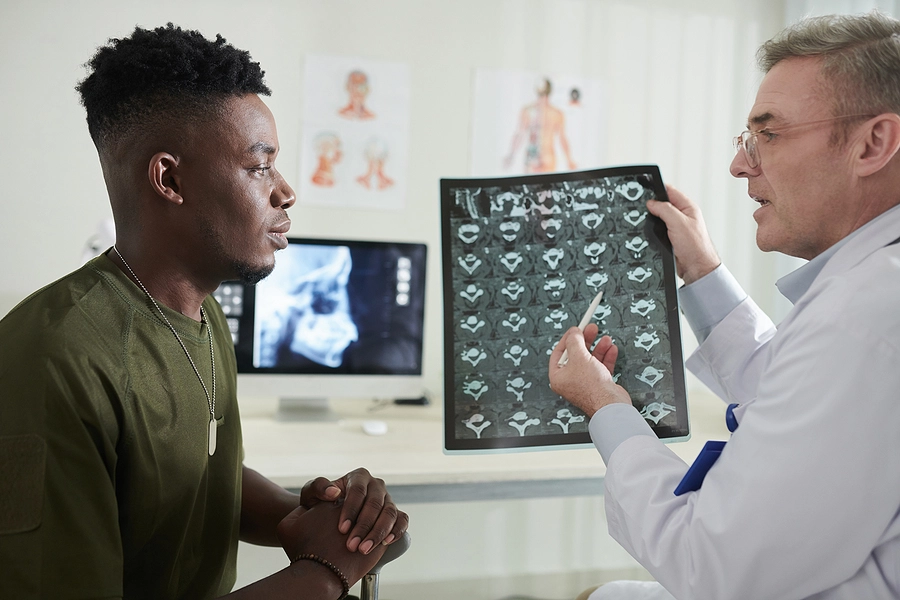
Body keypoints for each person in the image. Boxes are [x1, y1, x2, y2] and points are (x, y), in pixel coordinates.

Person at [0, 24, 408, 600]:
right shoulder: (54, 360)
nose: (285, 192)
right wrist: (323, 575)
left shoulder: (202, 314)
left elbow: (188, 475)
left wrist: (307, 518)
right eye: (259, 166)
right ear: (170, 178)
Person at [549, 11, 900, 600]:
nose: (741, 164)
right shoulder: (873, 290)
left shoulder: (863, 314)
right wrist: (703, 274)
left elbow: (710, 568)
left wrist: (605, 406)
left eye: (769, 133)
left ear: (874, 143)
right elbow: (796, 390)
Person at [504, 77, 577, 173]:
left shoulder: (531, 111)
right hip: (539, 158)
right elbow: (519, 134)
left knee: (537, 186)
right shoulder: (554, 113)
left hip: (541, 158)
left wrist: (511, 155)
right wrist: (569, 160)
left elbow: (519, 134)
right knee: (540, 186)